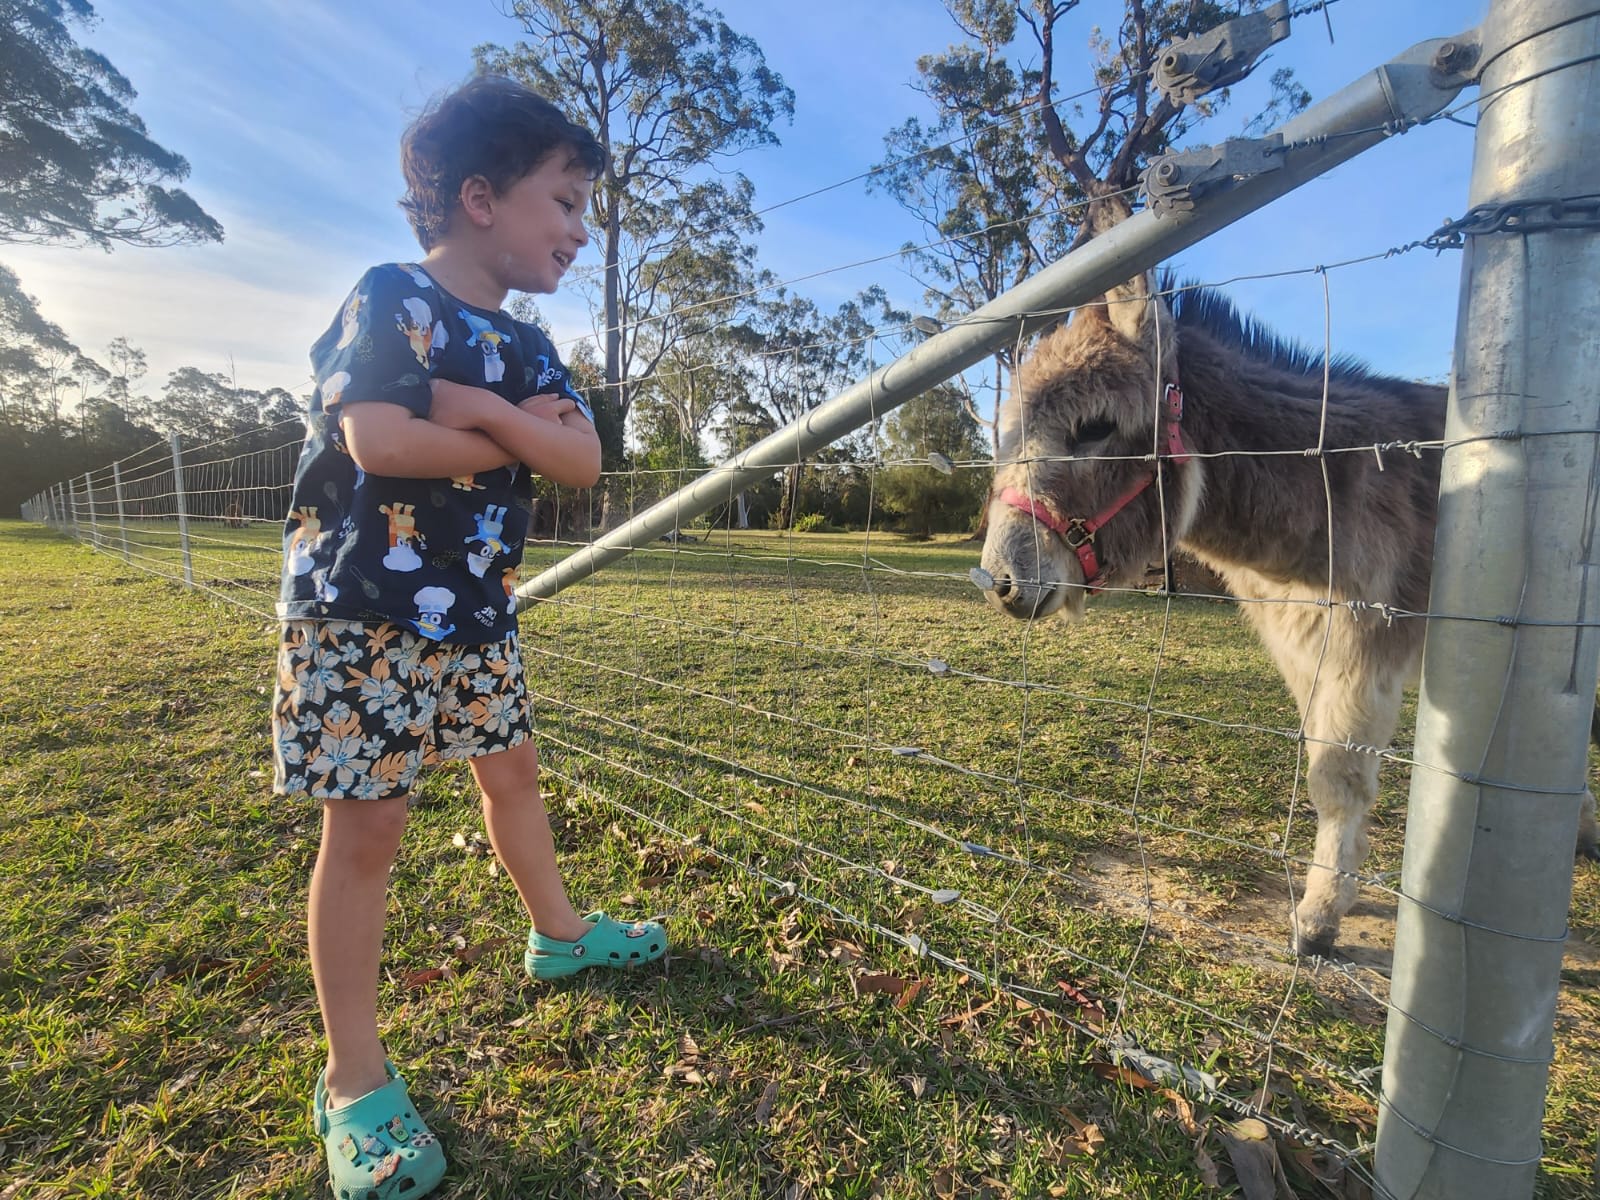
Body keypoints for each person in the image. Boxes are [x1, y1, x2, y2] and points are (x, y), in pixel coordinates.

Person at [270, 75, 667, 1199]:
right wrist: (513, 434)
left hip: (476, 612)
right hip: (363, 613)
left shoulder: (528, 346)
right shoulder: (390, 298)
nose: (582, 229)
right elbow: (384, 437)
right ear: (481, 198)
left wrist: (479, 411)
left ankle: (560, 933)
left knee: (516, 774)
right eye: (568, 199)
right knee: (371, 828)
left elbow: (582, 462)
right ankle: (352, 1080)